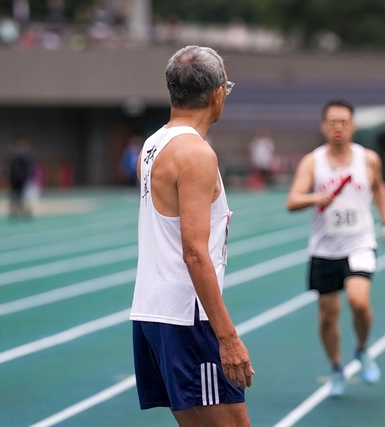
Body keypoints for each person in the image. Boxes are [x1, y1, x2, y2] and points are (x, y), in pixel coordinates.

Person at [129, 46, 253, 427]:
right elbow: (194, 251)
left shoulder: (151, 145)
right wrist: (227, 337)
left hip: (152, 310)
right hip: (188, 316)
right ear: (217, 95)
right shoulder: (196, 154)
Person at [286, 99, 385, 398]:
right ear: (323, 126)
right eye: (332, 122)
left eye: (343, 122)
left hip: (360, 242)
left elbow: (378, 188)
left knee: (359, 302)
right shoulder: (313, 162)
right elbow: (292, 200)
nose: (338, 127)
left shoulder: (367, 159)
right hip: (325, 249)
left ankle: (362, 348)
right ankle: (336, 367)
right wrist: (314, 198)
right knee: (328, 315)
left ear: (353, 126)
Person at [8, 136, 34, 218]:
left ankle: (21, 209)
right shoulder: (15, 156)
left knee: (22, 195)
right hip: (16, 179)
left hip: (21, 179)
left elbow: (28, 168)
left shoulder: (25, 156)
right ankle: (16, 209)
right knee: (16, 194)